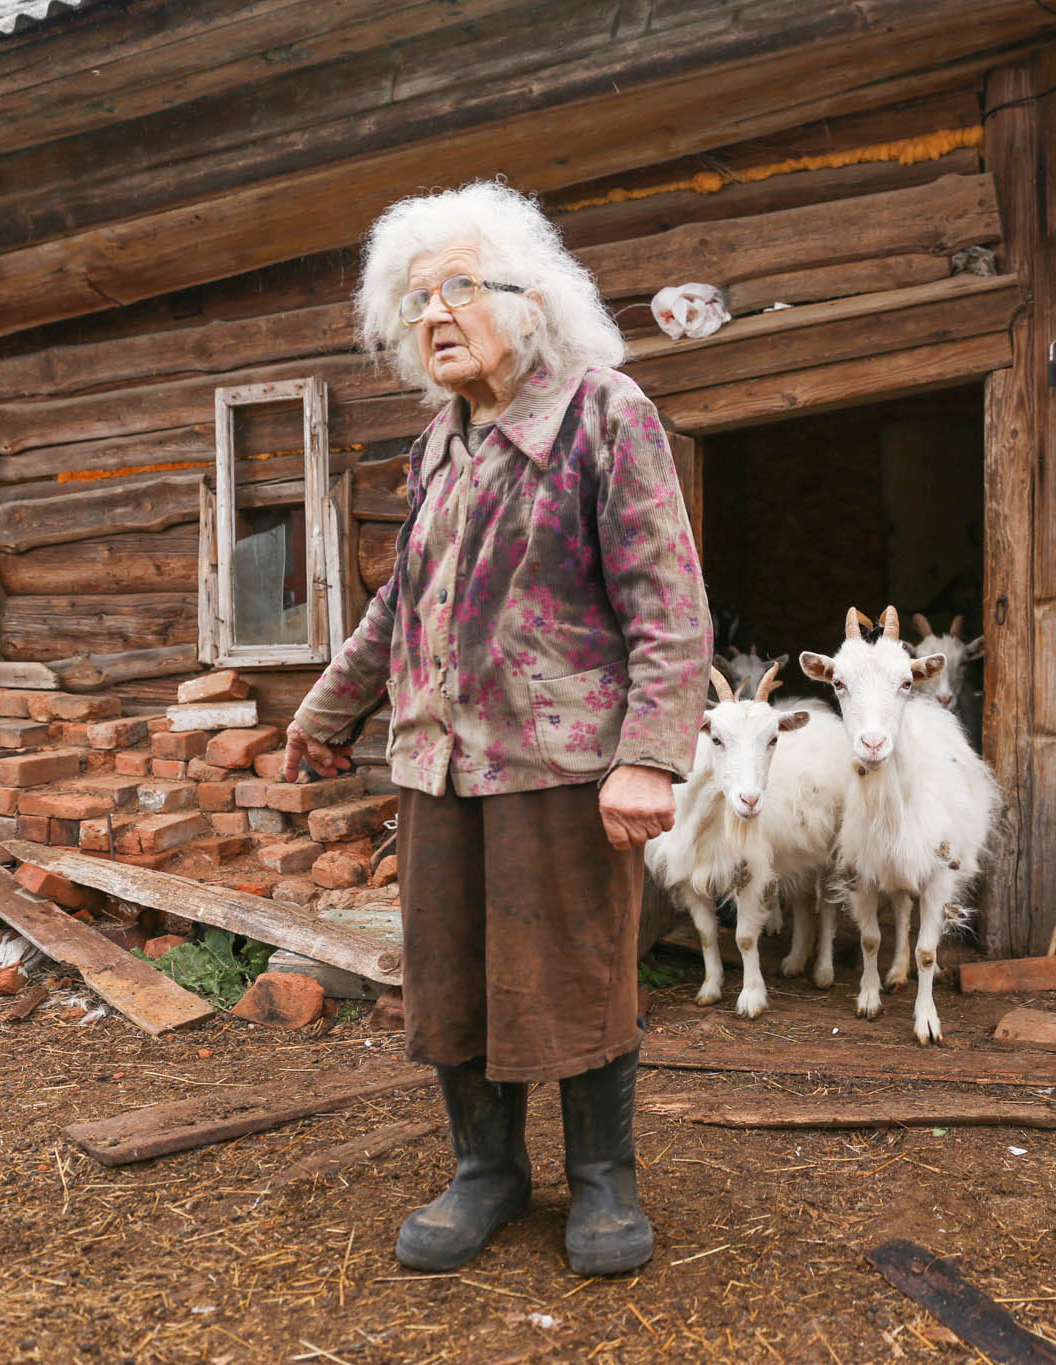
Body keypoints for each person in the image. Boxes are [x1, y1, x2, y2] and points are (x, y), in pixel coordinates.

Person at [282, 181, 709, 1277]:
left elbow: (668, 605)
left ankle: (603, 1182)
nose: (433, 314)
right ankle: (486, 1171)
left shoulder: (603, 413)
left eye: (458, 287)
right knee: (449, 972)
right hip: (436, 762)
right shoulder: (441, 440)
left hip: (560, 764)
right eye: (415, 298)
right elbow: (399, 605)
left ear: (529, 301)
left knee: (571, 968)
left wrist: (650, 757)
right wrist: (327, 711)